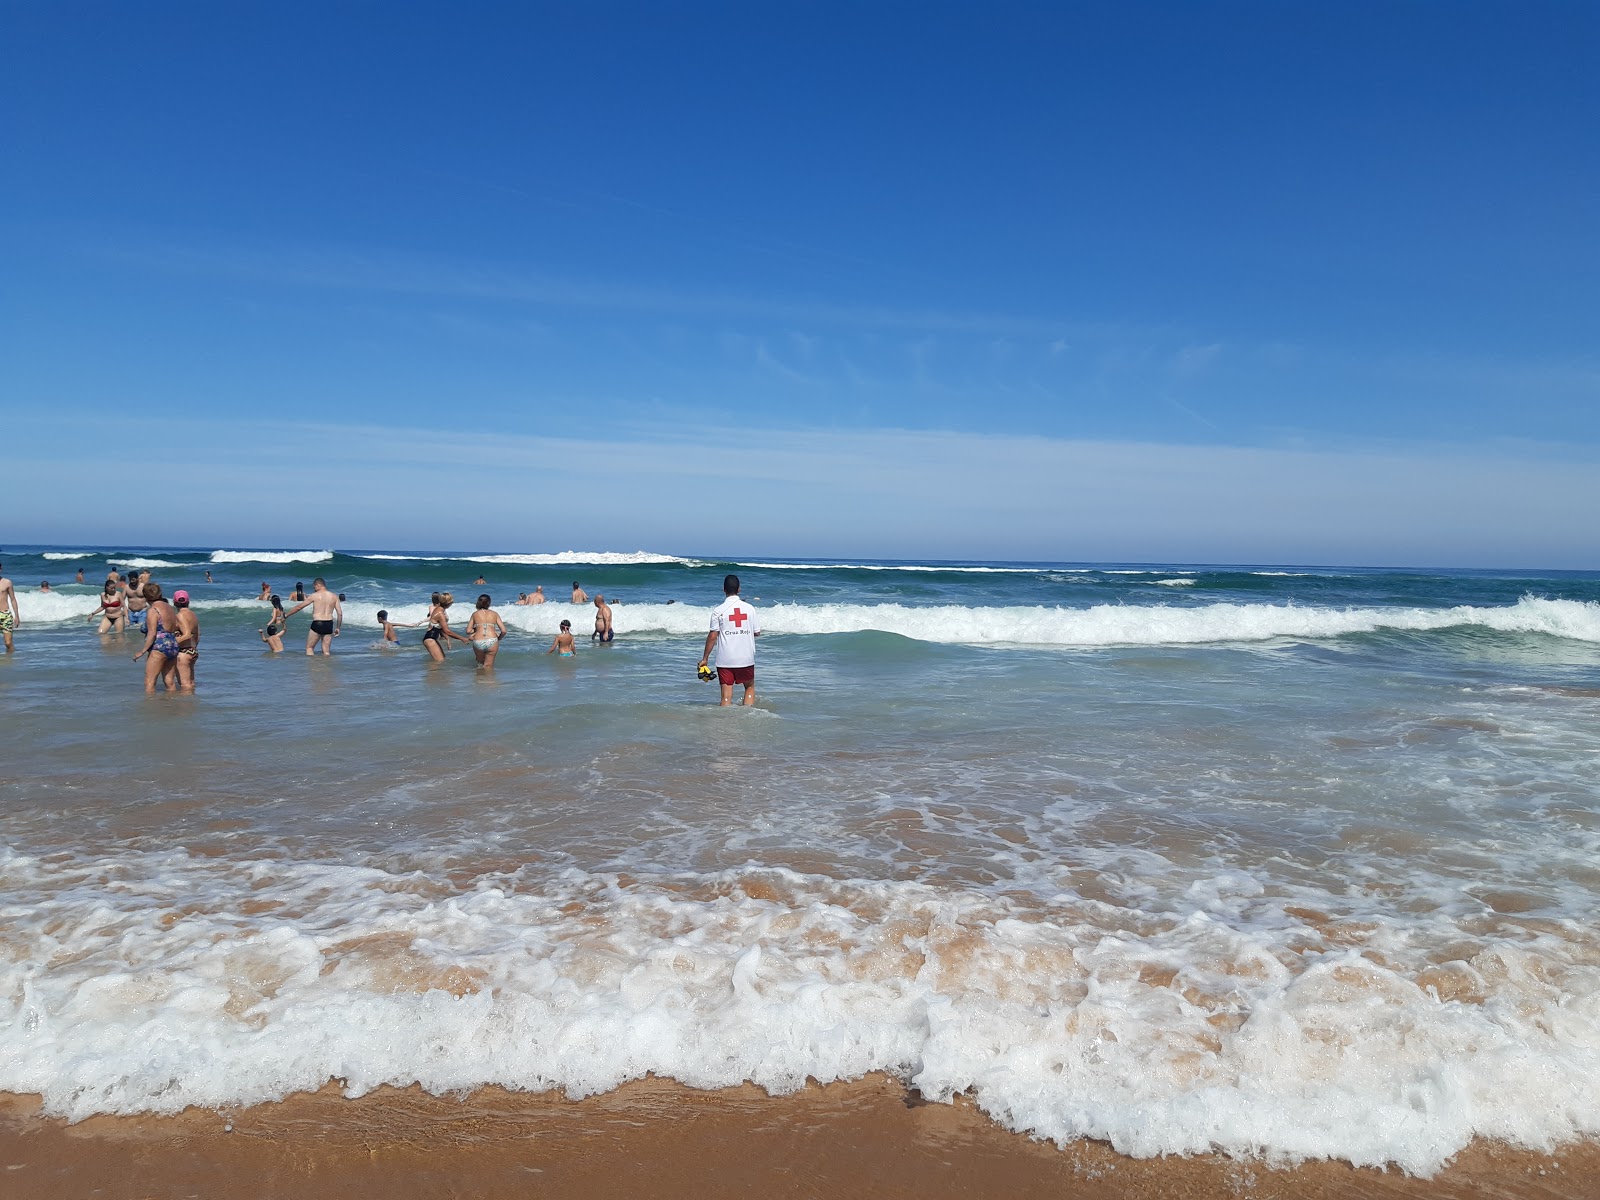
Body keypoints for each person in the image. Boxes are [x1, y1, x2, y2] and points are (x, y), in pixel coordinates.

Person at [700, 573, 761, 707]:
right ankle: (748, 715)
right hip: (745, 658)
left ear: (724, 590)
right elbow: (757, 632)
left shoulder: (718, 610)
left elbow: (712, 636)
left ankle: (724, 723)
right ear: (739, 589)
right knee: (749, 687)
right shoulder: (750, 609)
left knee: (726, 697)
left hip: (725, 659)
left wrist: (705, 658)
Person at [132, 583, 180, 693]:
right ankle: (172, 705)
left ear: (145, 596)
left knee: (149, 681)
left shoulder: (153, 610)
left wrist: (142, 651)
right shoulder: (169, 608)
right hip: (173, 644)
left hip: (159, 645)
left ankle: (150, 707)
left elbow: (152, 633)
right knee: (169, 681)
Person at [284, 577, 342, 655]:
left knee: (309, 648)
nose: (314, 589)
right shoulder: (334, 596)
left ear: (318, 585)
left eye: (314, 587)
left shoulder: (314, 595)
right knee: (326, 651)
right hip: (329, 623)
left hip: (318, 622)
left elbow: (299, 607)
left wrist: (287, 615)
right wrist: (338, 627)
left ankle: (312, 666)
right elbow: (340, 613)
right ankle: (327, 666)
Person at [464, 594, 507, 669]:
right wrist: (499, 638)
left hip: (478, 641)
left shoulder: (475, 614)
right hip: (492, 640)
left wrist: (478, 628)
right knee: (488, 666)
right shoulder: (494, 614)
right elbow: (503, 631)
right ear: (489, 603)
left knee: (480, 664)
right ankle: (488, 680)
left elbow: (468, 631)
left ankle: (479, 679)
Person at [421, 592, 467, 662]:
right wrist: (462, 638)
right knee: (440, 662)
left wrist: (448, 640)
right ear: (449, 603)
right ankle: (431, 672)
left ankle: (433, 672)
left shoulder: (438, 609)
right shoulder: (440, 614)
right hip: (430, 639)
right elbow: (447, 631)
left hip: (431, 638)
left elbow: (440, 628)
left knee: (441, 660)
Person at [172, 590, 201, 691]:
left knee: (184, 685)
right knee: (191, 683)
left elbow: (187, 634)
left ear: (174, 602)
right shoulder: (193, 615)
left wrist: (171, 642)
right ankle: (192, 703)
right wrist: (193, 647)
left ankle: (186, 705)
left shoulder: (179, 616)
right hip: (193, 651)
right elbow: (198, 634)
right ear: (188, 602)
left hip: (183, 652)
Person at [0, 563, 17, 653]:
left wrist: (17, 616)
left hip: (5, 614)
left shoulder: (7, 582)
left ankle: (10, 659)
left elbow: (13, 599)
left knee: (8, 643)